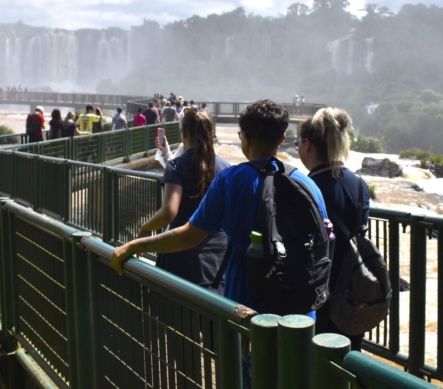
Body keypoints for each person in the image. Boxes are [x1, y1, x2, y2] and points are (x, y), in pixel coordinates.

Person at [112, 99, 328, 315]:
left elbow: (188, 236)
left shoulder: (231, 180)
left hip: (247, 307)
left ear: (245, 137)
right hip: (301, 310)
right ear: (281, 139)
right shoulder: (308, 185)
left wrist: (135, 245)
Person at [297, 107, 370, 351]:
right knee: (349, 361)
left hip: (316, 293)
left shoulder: (303, 186)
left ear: (308, 144)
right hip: (352, 295)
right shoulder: (360, 185)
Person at [136, 109, 230, 291]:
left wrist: (144, 230)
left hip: (181, 257)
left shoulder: (177, 165)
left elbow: (168, 213)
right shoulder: (225, 166)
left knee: (175, 314)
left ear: (184, 132)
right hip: (218, 258)